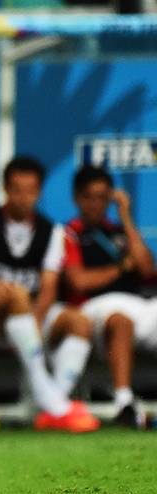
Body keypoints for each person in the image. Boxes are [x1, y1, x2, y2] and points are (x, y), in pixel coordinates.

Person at [0, 156, 99, 432]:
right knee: (15, 294)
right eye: (17, 189)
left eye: (30, 190)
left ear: (40, 191)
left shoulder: (52, 232)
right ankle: (54, 404)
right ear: (6, 189)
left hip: (28, 319)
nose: (23, 197)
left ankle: (53, 402)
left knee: (79, 321)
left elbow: (48, 288)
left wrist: (34, 321)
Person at [62, 165, 157, 428]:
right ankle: (124, 402)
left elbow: (147, 269)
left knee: (132, 312)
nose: (96, 204)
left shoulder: (118, 231)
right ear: (77, 198)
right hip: (94, 308)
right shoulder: (69, 233)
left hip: (140, 303)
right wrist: (122, 268)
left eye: (103, 197)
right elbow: (78, 281)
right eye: (90, 197)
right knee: (119, 318)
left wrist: (125, 216)